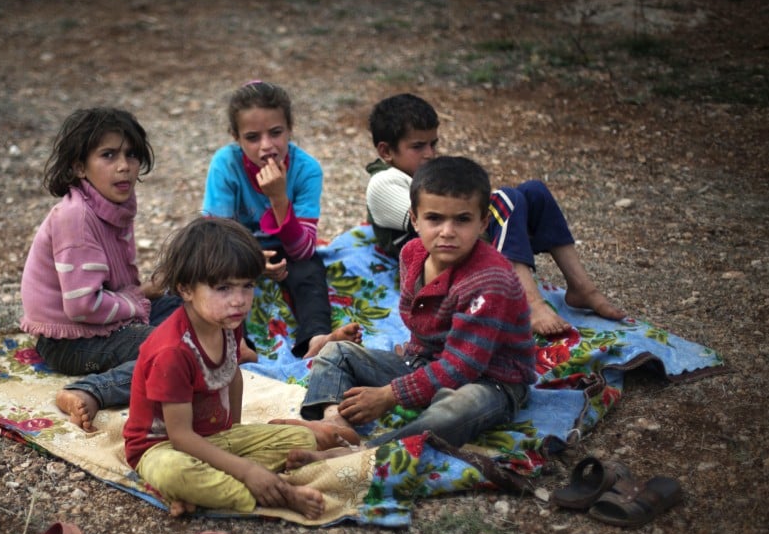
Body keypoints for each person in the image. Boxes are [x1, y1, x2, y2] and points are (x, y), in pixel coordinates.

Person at [275, 156, 537, 467]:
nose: (447, 231)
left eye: (463, 220)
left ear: (483, 223)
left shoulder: (489, 280)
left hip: (491, 380)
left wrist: (389, 395)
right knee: (336, 352)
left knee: (457, 409)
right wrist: (411, 365)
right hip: (426, 362)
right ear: (414, 219)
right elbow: (421, 324)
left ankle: (368, 450)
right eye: (434, 218)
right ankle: (336, 425)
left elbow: (461, 367)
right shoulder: (412, 253)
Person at [365, 93, 626, 336]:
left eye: (433, 144)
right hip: (437, 253)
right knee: (505, 200)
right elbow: (434, 221)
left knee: (534, 191)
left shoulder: (421, 176)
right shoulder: (383, 183)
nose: (430, 154)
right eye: (418, 147)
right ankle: (530, 302)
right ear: (386, 151)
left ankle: (582, 287)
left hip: (460, 241)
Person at [122, 217, 326, 520]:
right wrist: (246, 469)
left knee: (302, 439)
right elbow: (180, 437)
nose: (239, 301)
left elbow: (233, 373)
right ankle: (276, 494)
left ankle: (204, 493)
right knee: (174, 473)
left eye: (247, 286)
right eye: (223, 288)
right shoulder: (172, 351)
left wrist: (235, 433)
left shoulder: (228, 324)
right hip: (162, 448)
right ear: (186, 289)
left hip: (211, 437)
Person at [19, 108, 181, 432]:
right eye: (108, 155)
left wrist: (145, 292)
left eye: (131, 154)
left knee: (189, 306)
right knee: (169, 352)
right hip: (70, 340)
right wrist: (136, 300)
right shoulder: (76, 217)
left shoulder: (114, 205)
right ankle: (90, 390)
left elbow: (110, 282)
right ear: (79, 166)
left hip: (104, 322)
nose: (124, 166)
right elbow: (81, 305)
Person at [202, 80, 360, 358]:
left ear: (290, 129)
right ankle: (235, 343)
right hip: (233, 247)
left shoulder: (307, 169)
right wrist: (251, 260)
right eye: (252, 137)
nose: (267, 146)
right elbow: (214, 236)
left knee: (310, 269)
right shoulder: (225, 164)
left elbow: (303, 248)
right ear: (236, 138)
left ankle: (316, 336)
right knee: (213, 278)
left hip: (288, 246)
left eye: (276, 133)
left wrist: (278, 198)